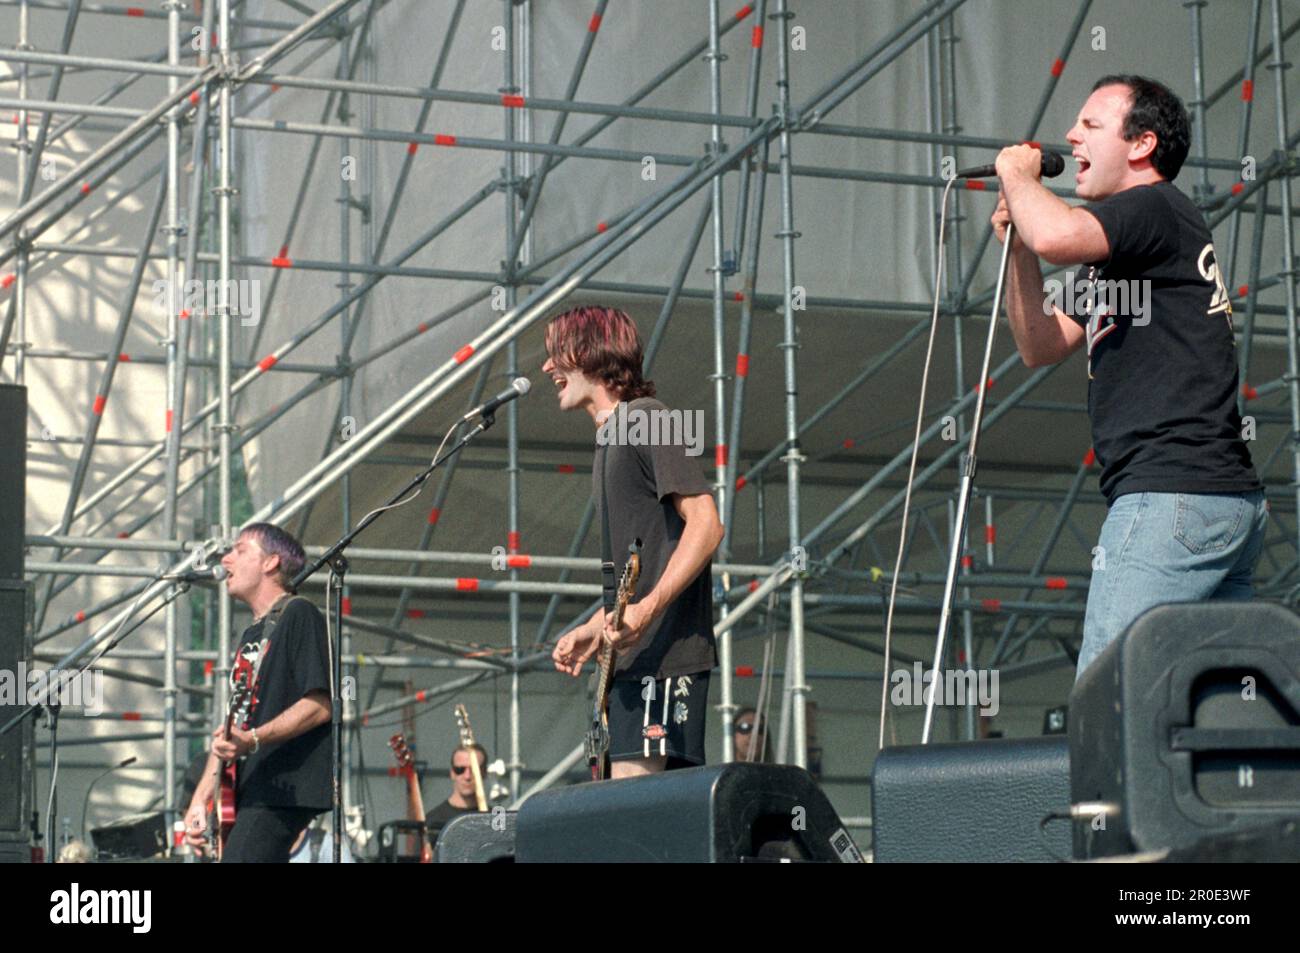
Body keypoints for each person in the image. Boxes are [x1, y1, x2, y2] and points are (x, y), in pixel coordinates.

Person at [991, 75, 1265, 680]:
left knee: (1109, 693)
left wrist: (1017, 173)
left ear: (1141, 144)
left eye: (1090, 126)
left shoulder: (1150, 207)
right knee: (1198, 708)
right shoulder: (1121, 249)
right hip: (1212, 499)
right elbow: (1040, 343)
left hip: (1171, 493)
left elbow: (1059, 233)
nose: (1070, 135)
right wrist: (1019, 246)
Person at [547, 306, 724, 777]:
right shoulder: (611, 437)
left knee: (635, 822)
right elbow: (646, 559)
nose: (547, 367)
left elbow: (706, 523)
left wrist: (646, 612)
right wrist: (596, 624)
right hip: (634, 661)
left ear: (588, 352)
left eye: (555, 354)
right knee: (635, 823)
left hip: (663, 661)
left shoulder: (647, 417)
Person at [182, 523, 333, 862]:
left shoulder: (300, 613)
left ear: (270, 563)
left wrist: (252, 739)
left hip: (283, 787)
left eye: (239, 549)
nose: (226, 558)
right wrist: (201, 799)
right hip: (251, 788)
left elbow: (321, 705)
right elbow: (231, 729)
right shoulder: (252, 634)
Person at [424, 743, 489, 846]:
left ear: (484, 773)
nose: (467, 776)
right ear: (452, 773)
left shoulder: (497, 817)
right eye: (460, 770)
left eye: (474, 770)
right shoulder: (432, 820)